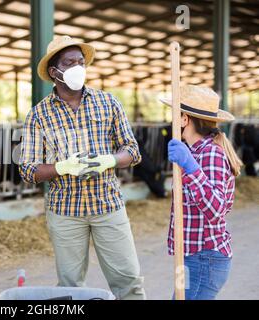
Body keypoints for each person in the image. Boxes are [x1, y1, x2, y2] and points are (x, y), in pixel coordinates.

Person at [19, 36, 146, 300]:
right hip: (65, 212)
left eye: (81, 62)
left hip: (107, 205)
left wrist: (110, 160)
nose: (78, 67)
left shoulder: (108, 102)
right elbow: (28, 169)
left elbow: (132, 151)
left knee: (129, 281)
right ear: (55, 72)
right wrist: (61, 167)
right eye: (69, 62)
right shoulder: (38, 115)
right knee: (70, 287)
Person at [162, 85, 243, 300]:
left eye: (175, 114)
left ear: (184, 119)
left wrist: (191, 167)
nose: (172, 120)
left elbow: (216, 209)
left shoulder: (210, 154)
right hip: (190, 256)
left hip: (204, 259)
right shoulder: (194, 151)